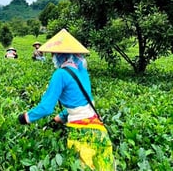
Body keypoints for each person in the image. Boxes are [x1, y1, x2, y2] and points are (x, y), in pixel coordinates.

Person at [18, 29, 115, 170]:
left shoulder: (60, 74)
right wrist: (63, 116)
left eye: (53, 54)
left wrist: (25, 118)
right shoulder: (82, 71)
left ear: (59, 55)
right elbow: (83, 103)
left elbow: (46, 107)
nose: (52, 57)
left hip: (82, 133)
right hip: (99, 130)